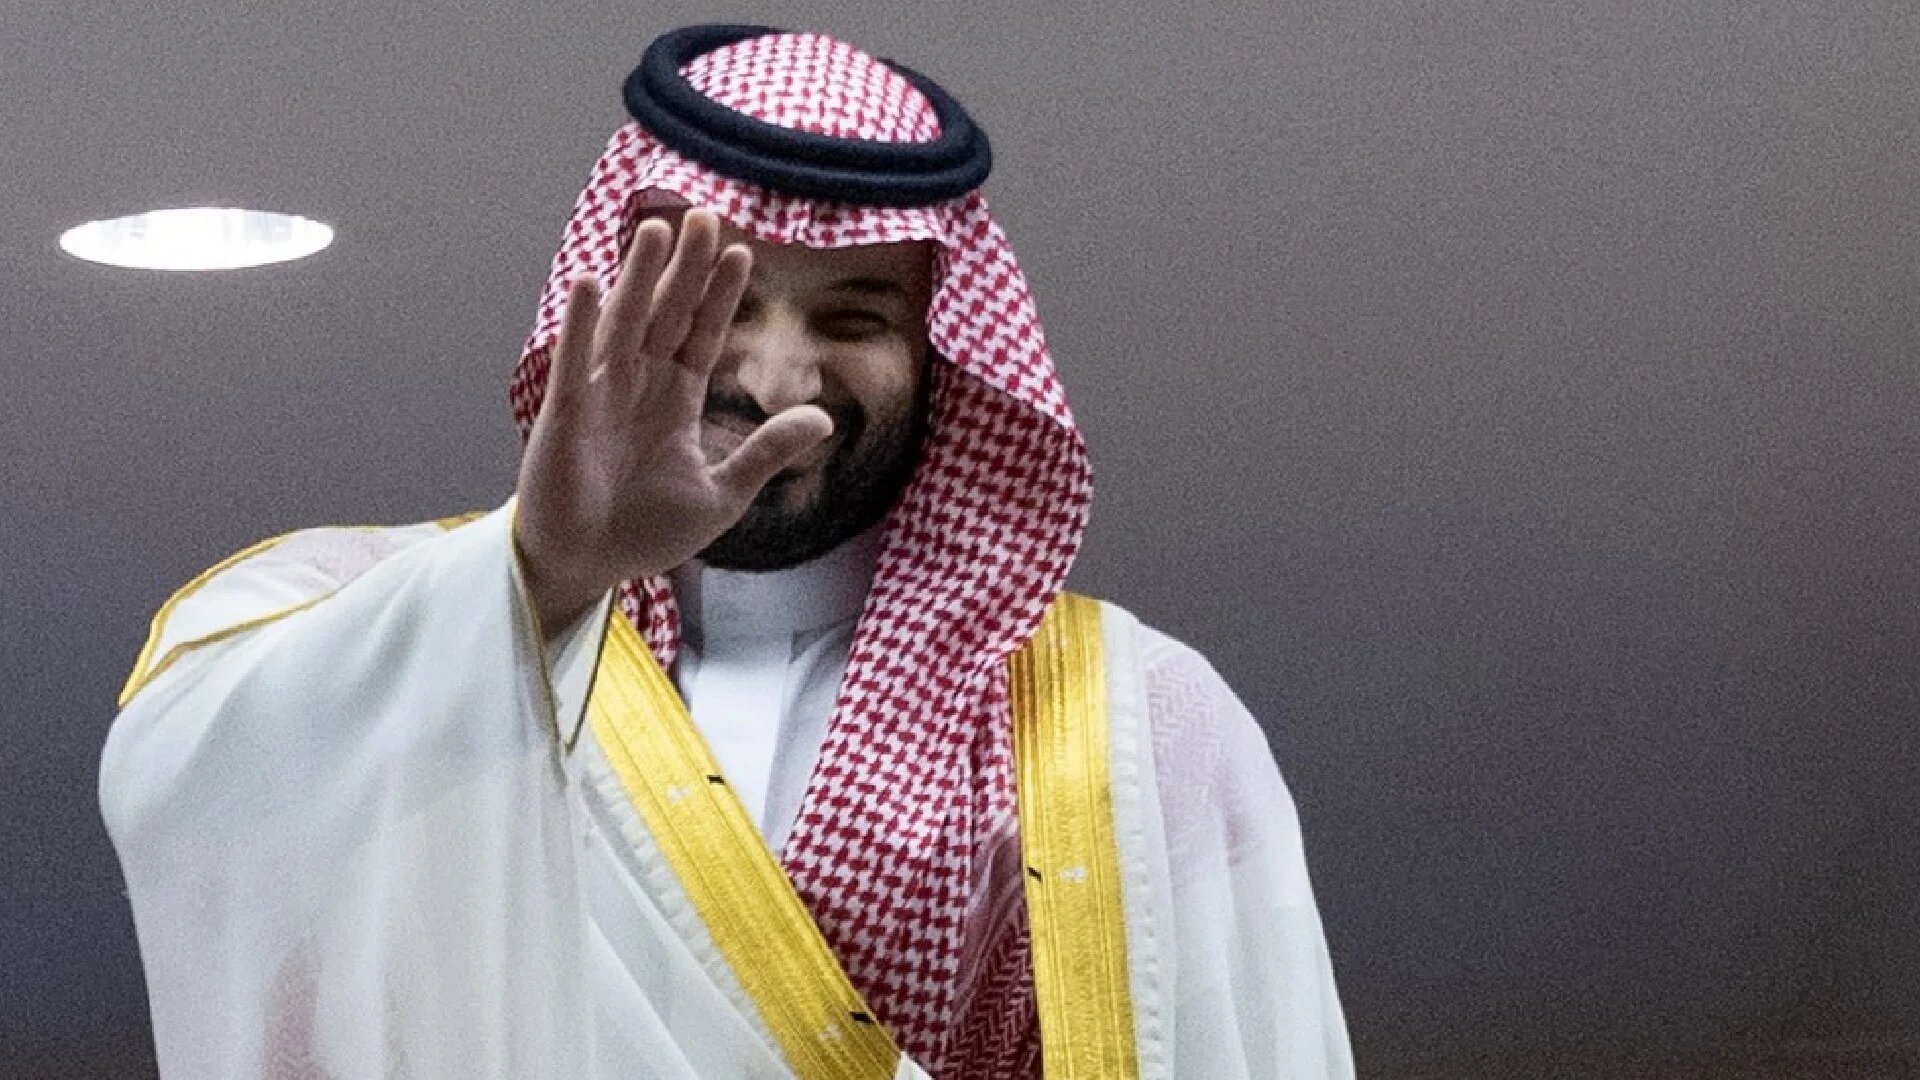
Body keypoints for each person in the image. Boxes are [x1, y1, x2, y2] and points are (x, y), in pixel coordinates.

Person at [101, 24, 1353, 1080]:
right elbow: (191, 777)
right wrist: (542, 571)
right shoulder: (378, 617)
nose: (777, 378)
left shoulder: (1135, 721)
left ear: (953, 362)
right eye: (728, 303)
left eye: (856, 316)